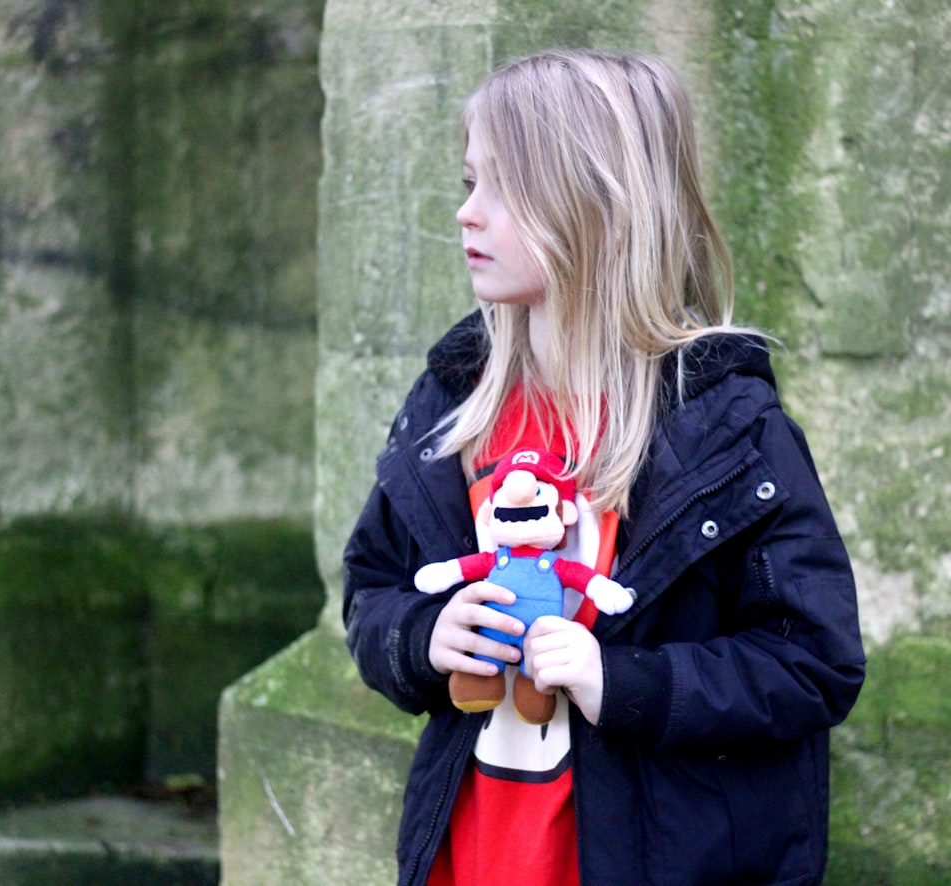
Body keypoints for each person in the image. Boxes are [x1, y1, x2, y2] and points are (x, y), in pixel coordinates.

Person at [343, 48, 865, 886]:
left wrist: (624, 682)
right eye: (465, 183)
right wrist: (420, 638)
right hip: (471, 856)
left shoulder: (727, 428)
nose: (466, 215)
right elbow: (371, 588)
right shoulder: (455, 407)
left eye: (497, 189)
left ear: (595, 204)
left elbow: (812, 663)